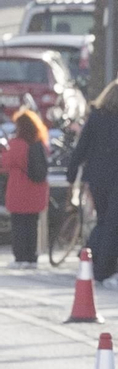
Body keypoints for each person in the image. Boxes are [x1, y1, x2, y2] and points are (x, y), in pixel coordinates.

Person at [69, 78, 118, 284]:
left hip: (97, 177)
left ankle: (89, 259)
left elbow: (82, 146)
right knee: (115, 223)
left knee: (102, 220)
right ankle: (104, 268)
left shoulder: (95, 117)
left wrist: (72, 171)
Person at [2, 108, 49, 266]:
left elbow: (5, 164)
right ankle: (31, 256)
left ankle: (20, 257)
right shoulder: (39, 143)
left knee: (19, 225)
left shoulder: (17, 144)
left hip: (19, 190)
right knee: (31, 225)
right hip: (37, 190)